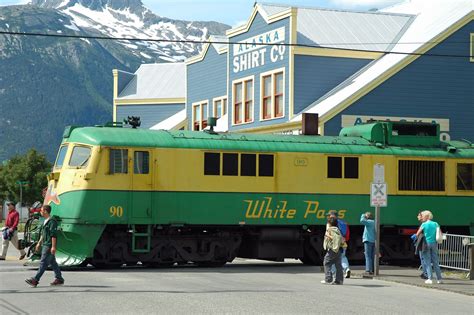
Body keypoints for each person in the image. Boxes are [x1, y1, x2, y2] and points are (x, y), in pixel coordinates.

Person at [25, 205, 65, 287]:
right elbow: (44, 233)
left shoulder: (52, 221)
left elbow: (53, 235)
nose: (40, 212)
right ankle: (59, 279)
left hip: (49, 245)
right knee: (52, 262)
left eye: (41, 210)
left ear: (46, 211)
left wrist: (53, 247)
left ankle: (35, 280)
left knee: (43, 262)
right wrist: (39, 243)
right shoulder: (46, 220)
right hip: (45, 243)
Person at [416, 210, 443, 284]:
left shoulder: (424, 224)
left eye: (424, 215)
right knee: (435, 261)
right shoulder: (435, 223)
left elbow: (417, 234)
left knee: (427, 262)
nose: (422, 217)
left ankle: (430, 279)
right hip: (434, 243)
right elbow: (440, 233)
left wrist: (415, 237)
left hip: (426, 244)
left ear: (427, 216)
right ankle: (439, 279)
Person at [327, 211, 351, 278]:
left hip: (334, 244)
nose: (328, 217)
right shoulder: (344, 223)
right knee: (343, 257)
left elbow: (329, 234)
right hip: (343, 243)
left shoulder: (331, 224)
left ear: (332, 216)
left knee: (332, 258)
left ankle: (334, 273)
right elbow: (347, 235)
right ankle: (347, 269)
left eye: (329, 215)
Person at [321, 216, 344, 285]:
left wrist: (328, 235)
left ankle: (328, 279)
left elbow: (336, 238)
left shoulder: (332, 229)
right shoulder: (337, 228)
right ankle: (339, 280)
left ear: (329, 223)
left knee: (326, 262)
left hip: (333, 249)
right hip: (338, 249)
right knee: (338, 264)